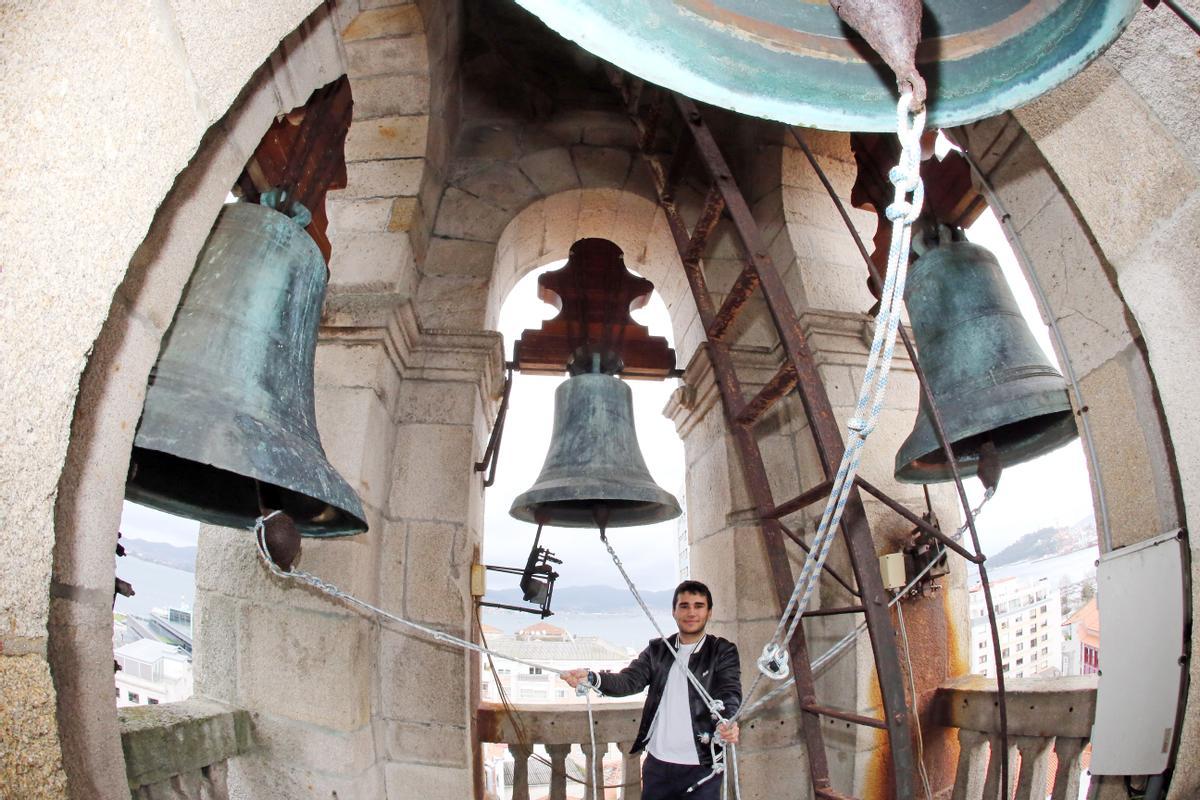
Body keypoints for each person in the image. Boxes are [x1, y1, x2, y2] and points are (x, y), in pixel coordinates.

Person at [562, 579, 741, 800]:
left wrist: (728, 720)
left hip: (703, 766)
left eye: (698, 605)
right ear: (674, 612)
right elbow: (628, 681)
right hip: (658, 765)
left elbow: (730, 692)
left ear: (709, 612)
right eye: (684, 606)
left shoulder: (722, 651)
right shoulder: (658, 650)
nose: (691, 612)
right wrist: (592, 677)